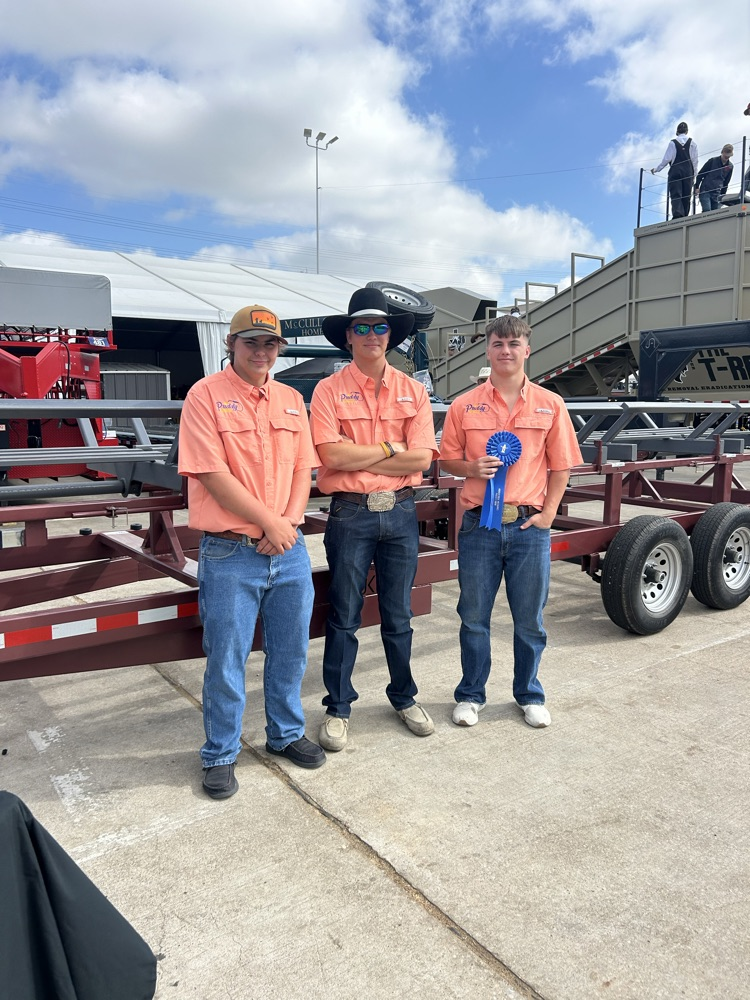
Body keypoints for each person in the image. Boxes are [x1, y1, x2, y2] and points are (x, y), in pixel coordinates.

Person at [178, 304, 325, 799]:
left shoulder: (290, 399)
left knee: (290, 651)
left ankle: (284, 734)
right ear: (231, 345)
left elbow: (304, 469)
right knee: (227, 657)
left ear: (279, 349)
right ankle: (220, 753)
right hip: (230, 551)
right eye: (250, 343)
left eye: (269, 344)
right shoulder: (205, 396)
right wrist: (271, 523)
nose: (261, 352)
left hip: (288, 549)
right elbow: (212, 474)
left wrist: (286, 526)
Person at [309, 287, 438, 751]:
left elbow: (421, 458)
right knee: (343, 615)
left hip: (401, 512)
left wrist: (360, 460)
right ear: (348, 337)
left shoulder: (412, 391)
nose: (371, 335)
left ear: (390, 336)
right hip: (350, 514)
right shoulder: (328, 390)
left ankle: (403, 697)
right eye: (361, 327)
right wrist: (390, 450)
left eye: (379, 327)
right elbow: (329, 454)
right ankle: (338, 707)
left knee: (398, 614)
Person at [439, 314, 583, 730]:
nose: (506, 351)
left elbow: (561, 466)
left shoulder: (550, 404)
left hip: (527, 527)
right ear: (488, 349)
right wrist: (470, 466)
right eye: (499, 343)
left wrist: (549, 514)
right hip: (478, 527)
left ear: (527, 350)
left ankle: (530, 694)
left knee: (529, 618)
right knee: (473, 615)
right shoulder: (464, 405)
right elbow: (446, 459)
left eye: (514, 344)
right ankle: (470, 694)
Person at [651, 122, 699, 219]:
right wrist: (694, 175)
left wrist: (657, 169)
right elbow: (695, 161)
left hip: (675, 171)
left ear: (677, 132)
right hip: (688, 171)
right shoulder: (693, 144)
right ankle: (685, 215)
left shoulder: (672, 143)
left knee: (676, 194)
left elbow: (666, 159)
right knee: (687, 194)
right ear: (687, 131)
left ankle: (677, 215)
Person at [695, 145, 734, 212]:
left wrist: (722, 196)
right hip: (705, 190)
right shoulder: (712, 161)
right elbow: (701, 174)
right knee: (707, 210)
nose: (727, 157)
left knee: (716, 213)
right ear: (722, 152)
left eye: (728, 156)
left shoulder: (730, 166)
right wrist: (697, 187)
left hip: (717, 193)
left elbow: (726, 183)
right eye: (726, 155)